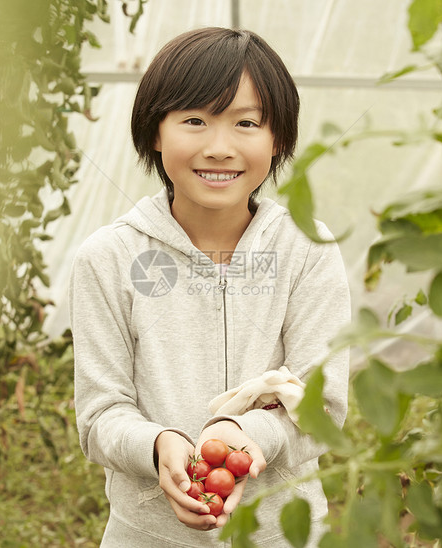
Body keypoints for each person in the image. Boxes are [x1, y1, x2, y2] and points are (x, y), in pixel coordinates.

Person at [70, 27, 350, 547]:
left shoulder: (306, 249)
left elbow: (324, 403)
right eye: (194, 121)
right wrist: (159, 446)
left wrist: (245, 437)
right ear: (154, 132)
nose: (219, 148)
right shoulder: (107, 258)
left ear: (279, 140)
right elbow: (101, 413)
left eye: (246, 123)